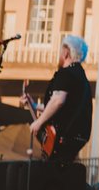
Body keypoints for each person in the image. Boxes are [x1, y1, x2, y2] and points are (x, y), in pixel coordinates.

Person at [30, 35, 93, 163]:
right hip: (78, 137)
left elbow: (58, 100)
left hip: (63, 137)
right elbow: (67, 106)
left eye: (60, 51)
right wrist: (35, 106)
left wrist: (38, 122)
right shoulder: (82, 77)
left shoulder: (66, 73)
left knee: (52, 174)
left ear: (66, 52)